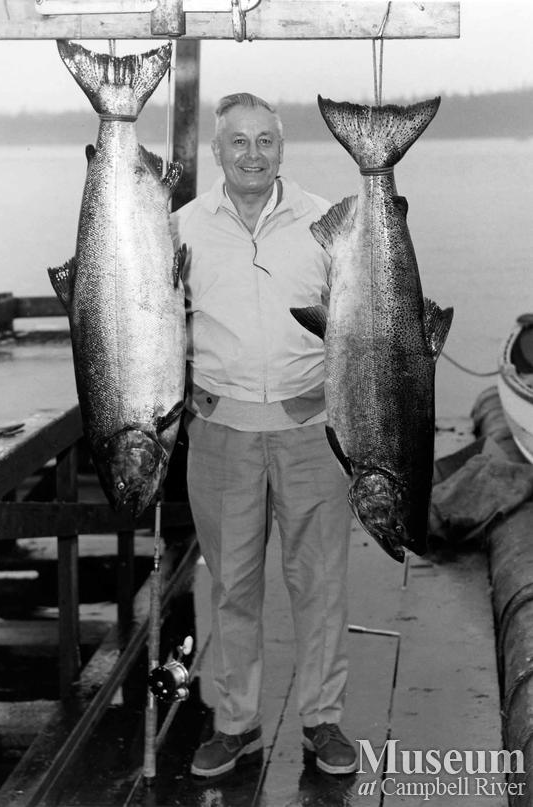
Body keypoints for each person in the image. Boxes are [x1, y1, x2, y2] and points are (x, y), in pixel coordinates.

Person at [171, 92, 356, 779]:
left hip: (313, 431)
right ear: (216, 152)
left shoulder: (328, 222)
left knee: (321, 584)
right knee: (230, 586)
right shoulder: (181, 227)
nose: (252, 153)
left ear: (282, 147)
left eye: (265, 141)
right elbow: (154, 320)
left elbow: (362, 321)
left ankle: (323, 720)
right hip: (221, 434)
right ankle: (234, 723)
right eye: (238, 142)